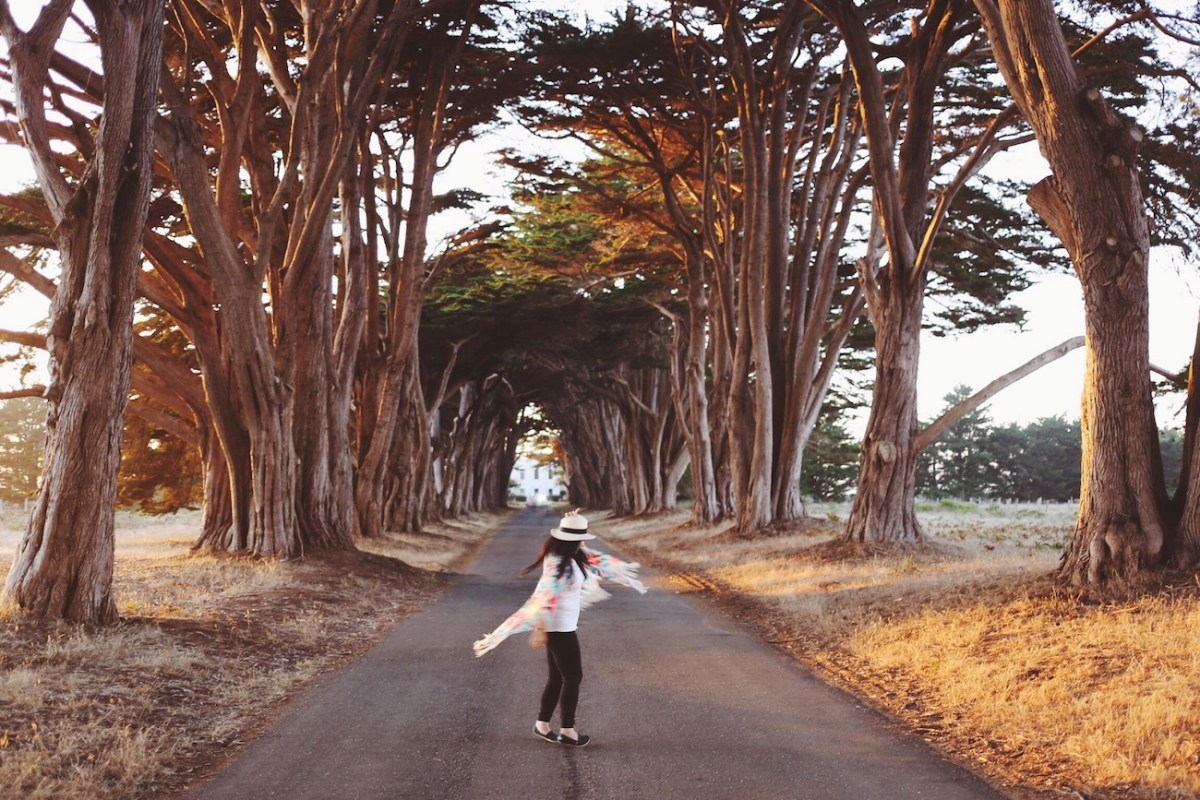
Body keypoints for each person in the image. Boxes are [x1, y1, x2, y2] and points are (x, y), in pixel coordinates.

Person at [472, 510, 647, 747]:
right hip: (558, 627)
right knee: (573, 677)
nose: (584, 541)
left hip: (562, 624)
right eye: (581, 536)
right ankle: (567, 730)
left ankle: (542, 725)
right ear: (573, 539)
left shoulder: (571, 556)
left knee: (558, 678)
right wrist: (540, 629)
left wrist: (572, 521)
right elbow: (542, 597)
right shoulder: (558, 564)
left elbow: (592, 558)